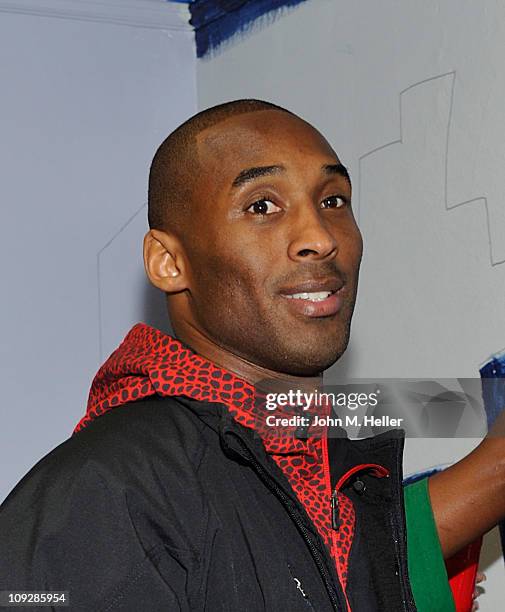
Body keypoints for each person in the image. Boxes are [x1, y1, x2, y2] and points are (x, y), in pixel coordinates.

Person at [0, 99, 500, 611]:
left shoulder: (322, 458)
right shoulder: (105, 490)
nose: (320, 238)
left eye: (333, 201)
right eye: (262, 205)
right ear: (169, 263)